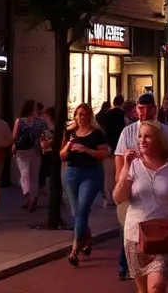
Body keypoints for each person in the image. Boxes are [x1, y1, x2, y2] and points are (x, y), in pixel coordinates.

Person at [115, 120, 168, 292]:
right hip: (135, 236)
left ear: (159, 140)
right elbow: (118, 198)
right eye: (140, 136)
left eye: (148, 136)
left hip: (165, 236)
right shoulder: (133, 166)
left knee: (156, 287)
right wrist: (126, 169)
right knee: (144, 290)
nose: (142, 140)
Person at [117, 93, 168, 280]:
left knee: (156, 284)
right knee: (127, 228)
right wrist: (123, 180)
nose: (145, 112)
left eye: (149, 108)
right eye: (141, 108)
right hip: (133, 192)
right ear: (136, 109)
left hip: (163, 216)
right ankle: (124, 267)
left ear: (155, 109)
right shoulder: (127, 132)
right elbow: (118, 163)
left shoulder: (167, 132)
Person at [62, 102, 111, 265]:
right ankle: (87, 240)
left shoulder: (96, 133)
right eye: (78, 114)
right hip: (71, 173)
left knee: (82, 209)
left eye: (83, 114)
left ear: (89, 116)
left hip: (90, 173)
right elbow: (61, 156)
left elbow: (104, 153)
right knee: (76, 212)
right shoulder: (69, 132)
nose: (80, 117)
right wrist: (68, 147)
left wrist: (87, 150)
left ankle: (74, 249)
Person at [12, 100, 42, 212]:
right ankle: (32, 197)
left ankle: (27, 196)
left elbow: (14, 135)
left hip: (21, 150)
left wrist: (14, 146)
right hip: (34, 150)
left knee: (24, 174)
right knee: (34, 175)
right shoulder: (38, 121)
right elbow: (42, 136)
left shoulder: (19, 121)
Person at [100, 95, 128, 207]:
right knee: (120, 173)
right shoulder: (124, 115)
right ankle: (119, 196)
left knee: (109, 174)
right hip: (120, 147)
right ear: (122, 103)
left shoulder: (107, 114)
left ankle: (108, 197)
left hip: (109, 146)